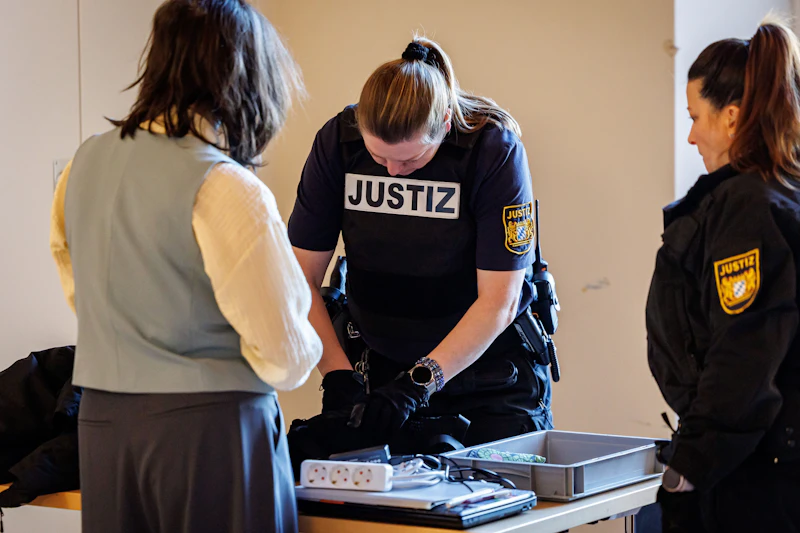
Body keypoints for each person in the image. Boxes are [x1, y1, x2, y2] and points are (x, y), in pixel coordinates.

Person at [49, 1, 321, 532]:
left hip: (105, 426)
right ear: (245, 75)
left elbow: (79, 287)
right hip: (210, 432)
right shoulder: (227, 187)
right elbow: (285, 356)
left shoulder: (82, 166)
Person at [288, 36, 553, 452]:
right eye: (379, 157)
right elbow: (300, 278)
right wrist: (337, 375)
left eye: (410, 161)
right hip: (379, 364)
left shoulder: (490, 151)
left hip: (487, 375)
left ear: (444, 125)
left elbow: (499, 301)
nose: (393, 172)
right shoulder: (338, 143)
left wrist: (420, 382)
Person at [647, 18, 800, 533]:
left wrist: (688, 467)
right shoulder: (777, 194)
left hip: (752, 477)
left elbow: (745, 349)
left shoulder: (747, 207)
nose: (690, 136)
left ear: (732, 118)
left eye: (696, 118)